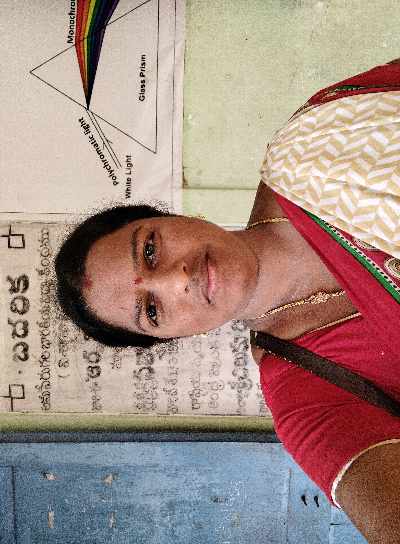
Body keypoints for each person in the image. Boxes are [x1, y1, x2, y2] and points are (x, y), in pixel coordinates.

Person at [56, 61, 400, 543]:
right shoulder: (305, 398)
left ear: (174, 216)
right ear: (174, 337)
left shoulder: (315, 144)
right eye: (151, 311)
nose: (176, 279)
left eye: (151, 250)